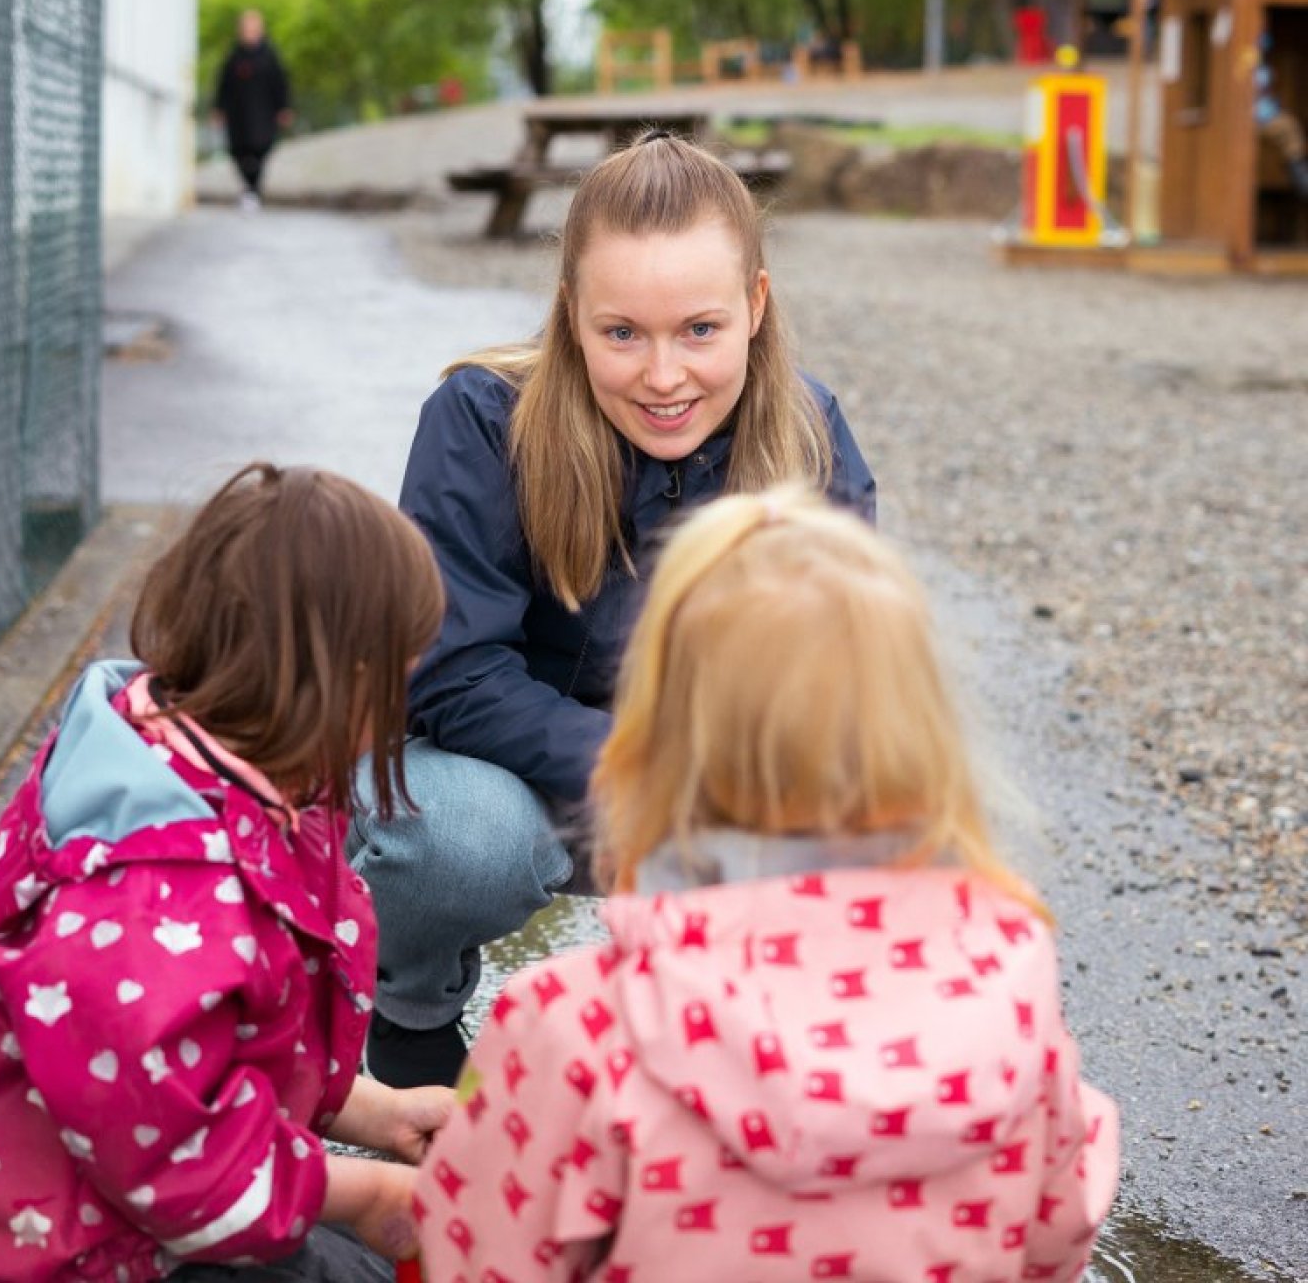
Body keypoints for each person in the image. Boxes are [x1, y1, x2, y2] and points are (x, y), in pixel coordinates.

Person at [412, 487, 1120, 1281]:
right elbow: (1058, 1236)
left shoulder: (575, 1028)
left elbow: (476, 1257)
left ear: (645, 733)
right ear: (927, 734)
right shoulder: (1011, 981)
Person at [344, 130, 875, 1091]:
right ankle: (409, 1001)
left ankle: (721, 1034)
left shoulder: (808, 436)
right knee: (462, 838)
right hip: (509, 777)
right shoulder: (478, 419)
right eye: (622, 332)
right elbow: (454, 673)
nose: (663, 376)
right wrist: (639, 775)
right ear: (572, 314)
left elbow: (843, 679)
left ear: (755, 306)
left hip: (708, 784)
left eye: (699, 331)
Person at [0, 464, 454, 1282]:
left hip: (115, 1190)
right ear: (339, 685)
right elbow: (184, 1172)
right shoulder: (154, 894)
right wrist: (373, 1193)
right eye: (400, 681)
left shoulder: (204, 767)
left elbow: (223, 1046)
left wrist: (380, 1114)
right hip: (51, 1249)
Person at [212, 10, 293, 211]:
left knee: (261, 150)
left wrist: (284, 108)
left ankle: (252, 190)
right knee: (238, 151)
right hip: (238, 115)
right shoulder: (233, 57)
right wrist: (218, 109)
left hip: (263, 115)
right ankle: (249, 190)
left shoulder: (270, 56)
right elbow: (223, 85)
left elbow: (280, 84)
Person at [1254, 32, 1308, 200]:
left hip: (1265, 116)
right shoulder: (1251, 64)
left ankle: (1299, 175)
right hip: (1258, 119)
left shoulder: (1261, 65)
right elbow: (1258, 96)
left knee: (1290, 127)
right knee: (1290, 128)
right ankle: (1301, 179)